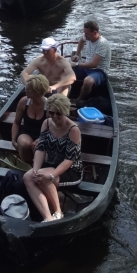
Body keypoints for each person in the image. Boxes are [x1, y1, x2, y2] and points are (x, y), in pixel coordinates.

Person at [23, 94, 83, 222]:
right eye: (51, 112)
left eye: (59, 114)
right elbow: (41, 148)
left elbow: (69, 160)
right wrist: (35, 169)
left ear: (65, 112)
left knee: (44, 178)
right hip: (50, 165)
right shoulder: (46, 123)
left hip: (70, 170)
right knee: (29, 176)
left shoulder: (73, 130)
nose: (55, 117)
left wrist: (52, 175)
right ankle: (48, 217)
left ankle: (58, 212)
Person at [70, 20, 111, 104]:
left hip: (99, 71)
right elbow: (82, 40)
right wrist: (77, 54)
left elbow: (94, 64)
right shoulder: (87, 36)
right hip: (86, 67)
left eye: (87, 33)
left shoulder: (102, 44)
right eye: (84, 33)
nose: (85, 35)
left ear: (95, 32)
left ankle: (79, 99)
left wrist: (76, 64)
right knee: (66, 69)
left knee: (88, 81)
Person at [11, 74, 49, 164]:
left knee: (40, 148)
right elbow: (16, 122)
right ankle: (27, 164)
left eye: (28, 89)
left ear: (36, 91)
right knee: (24, 144)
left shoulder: (49, 106)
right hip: (26, 133)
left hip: (44, 136)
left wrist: (41, 139)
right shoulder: (24, 102)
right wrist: (13, 140)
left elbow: (53, 129)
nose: (25, 90)